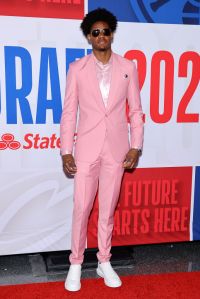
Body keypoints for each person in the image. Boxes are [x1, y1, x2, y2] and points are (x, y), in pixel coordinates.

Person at [60, 8, 144, 292]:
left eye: (106, 31)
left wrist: (135, 146)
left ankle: (103, 261)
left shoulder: (128, 67)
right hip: (85, 149)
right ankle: (75, 263)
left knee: (108, 210)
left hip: (117, 150)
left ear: (112, 33)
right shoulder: (77, 70)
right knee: (81, 208)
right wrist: (66, 150)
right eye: (95, 32)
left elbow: (136, 111)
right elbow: (69, 112)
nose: (101, 36)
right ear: (88, 36)